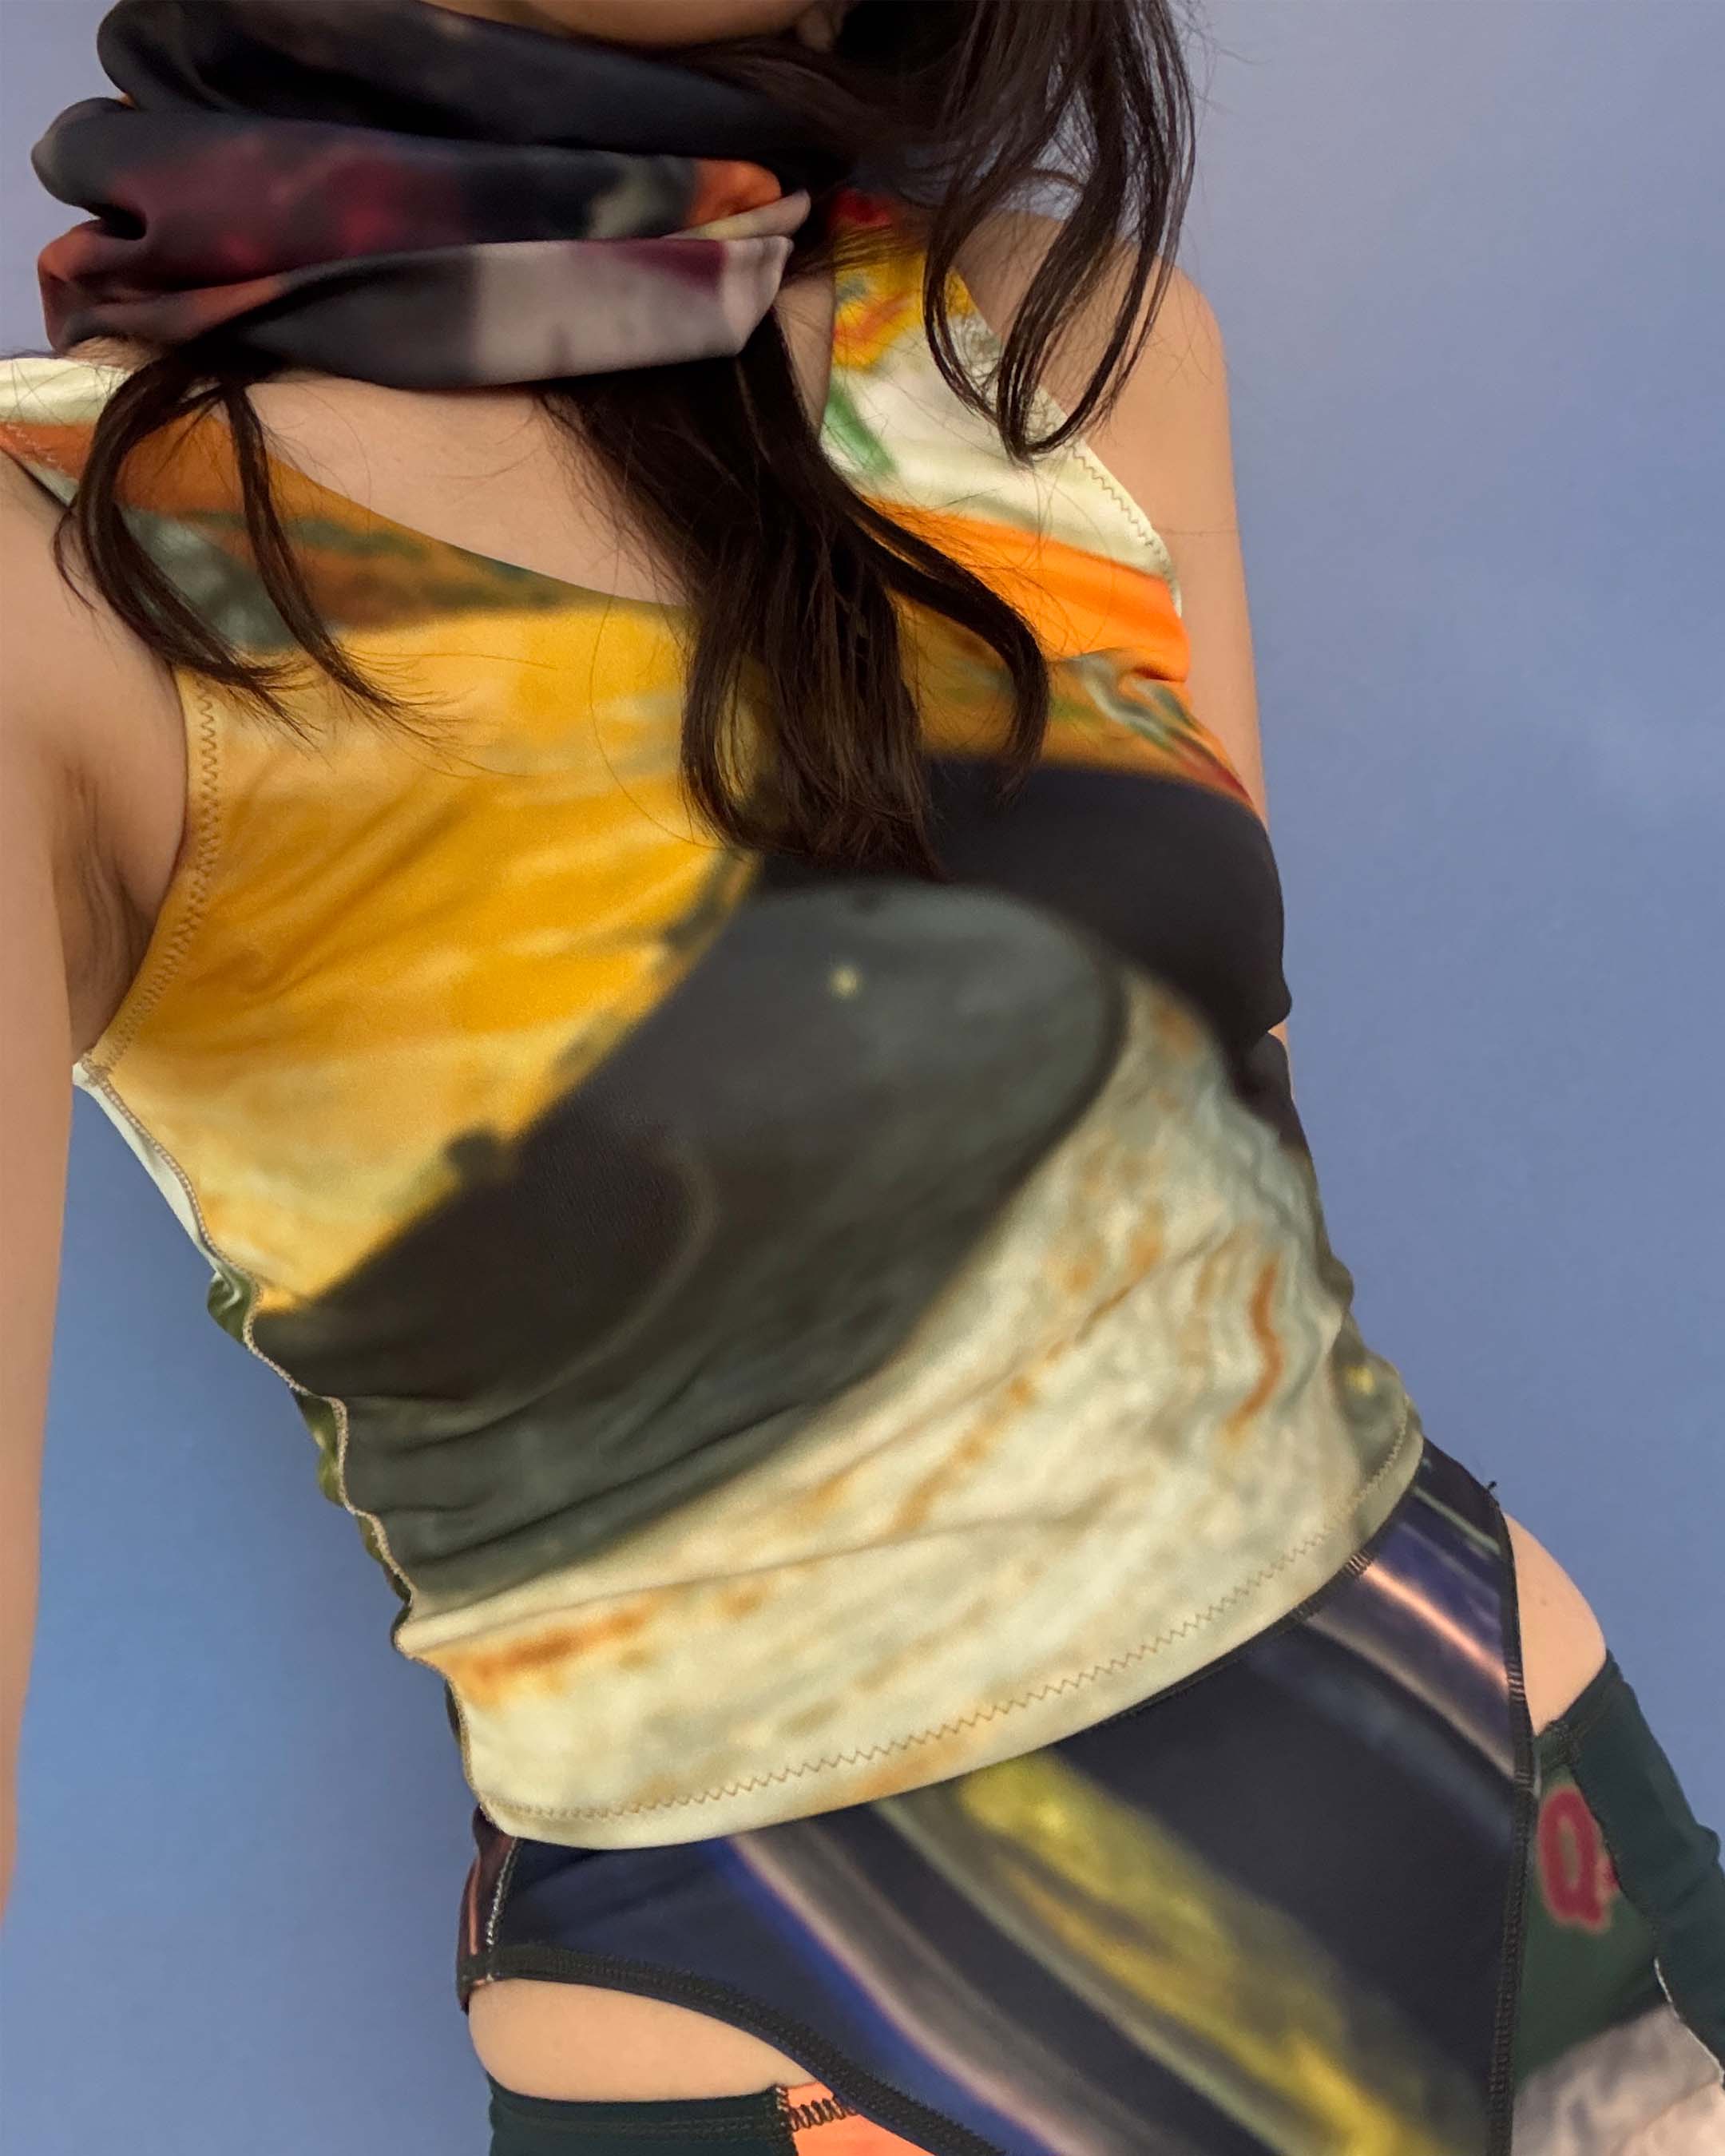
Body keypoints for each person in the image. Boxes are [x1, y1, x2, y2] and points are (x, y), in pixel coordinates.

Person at [2, 2, 1721, 2151]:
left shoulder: (1055, 339)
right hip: (828, 2063)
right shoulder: (56, 579)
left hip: (1553, 1910)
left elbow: (1211, 1221)